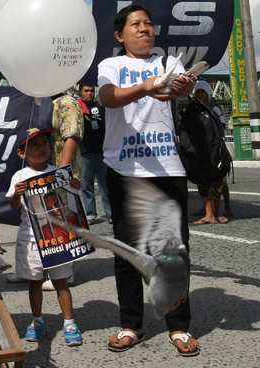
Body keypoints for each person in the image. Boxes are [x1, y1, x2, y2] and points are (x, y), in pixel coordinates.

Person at [97, 4, 199, 356]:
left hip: (168, 169)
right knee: (127, 254)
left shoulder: (168, 63)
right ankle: (132, 325)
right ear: (119, 34)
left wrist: (182, 86)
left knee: (174, 255)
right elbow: (107, 97)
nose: (144, 29)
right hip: (124, 170)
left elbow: (179, 91)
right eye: (136, 24)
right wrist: (145, 87)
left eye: (148, 24)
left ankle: (179, 326)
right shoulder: (110, 66)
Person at [6, 127, 83, 346]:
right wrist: (18, 193)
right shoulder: (20, 176)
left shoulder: (57, 172)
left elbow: (70, 202)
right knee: (35, 282)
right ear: (22, 153)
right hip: (30, 239)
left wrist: (74, 186)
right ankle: (37, 320)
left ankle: (69, 322)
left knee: (61, 282)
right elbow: (13, 205)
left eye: (44, 143)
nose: (41, 148)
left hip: (56, 238)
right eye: (34, 145)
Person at [42, 91, 83, 291]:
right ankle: (39, 269)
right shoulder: (39, 101)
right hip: (41, 171)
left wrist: (59, 176)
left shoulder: (66, 102)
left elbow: (71, 138)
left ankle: (66, 272)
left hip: (61, 172)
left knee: (65, 219)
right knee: (43, 221)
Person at [190, 80, 232, 224]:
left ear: (207, 93)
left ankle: (225, 208)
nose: (199, 94)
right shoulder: (194, 108)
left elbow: (221, 126)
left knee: (220, 180)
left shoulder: (215, 108)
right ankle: (207, 210)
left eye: (202, 91)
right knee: (203, 179)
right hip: (201, 150)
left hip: (216, 148)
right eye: (197, 92)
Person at [77, 85, 112, 225]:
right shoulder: (77, 108)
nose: (89, 93)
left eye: (92, 91)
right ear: (81, 92)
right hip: (84, 152)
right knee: (86, 185)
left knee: (105, 185)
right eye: (86, 91)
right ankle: (91, 214)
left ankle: (111, 213)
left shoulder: (101, 107)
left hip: (101, 152)